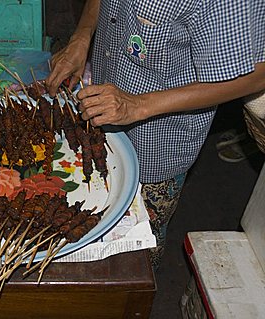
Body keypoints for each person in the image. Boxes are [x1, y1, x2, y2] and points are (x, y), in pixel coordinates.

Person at [45, 0, 265, 269]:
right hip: (106, 92)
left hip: (159, 140)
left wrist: (137, 105)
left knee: (134, 259)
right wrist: (82, 35)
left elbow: (255, 76)